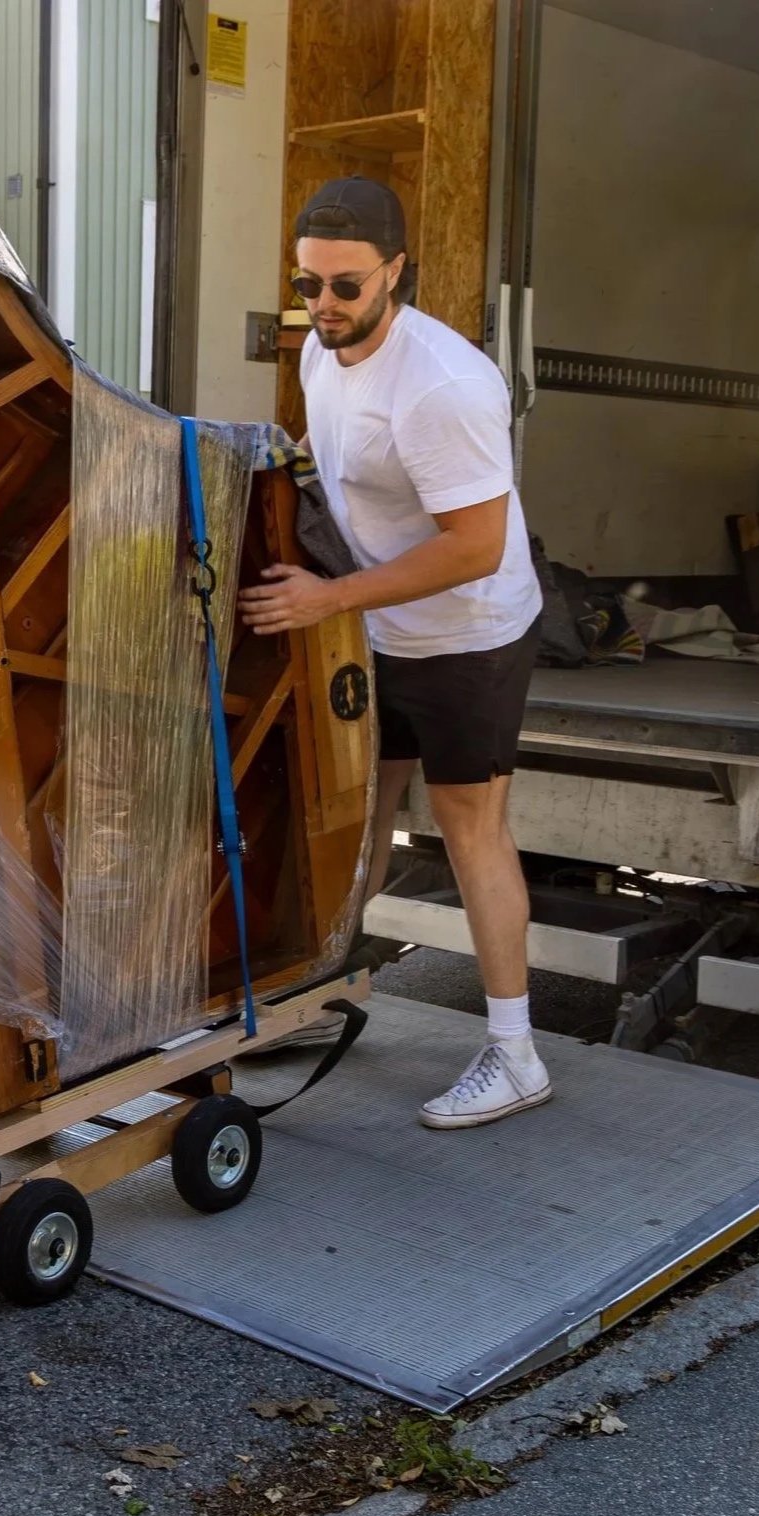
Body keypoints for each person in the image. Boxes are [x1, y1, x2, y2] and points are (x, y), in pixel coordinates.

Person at [239, 177, 547, 1131]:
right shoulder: (324, 354)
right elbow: (335, 452)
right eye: (308, 286)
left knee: (467, 828)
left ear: (396, 273)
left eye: (345, 287)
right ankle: (327, 993)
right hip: (382, 625)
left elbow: (475, 547)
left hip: (468, 636)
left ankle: (515, 1054)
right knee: (360, 812)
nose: (323, 307)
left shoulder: (445, 386)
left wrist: (328, 596)